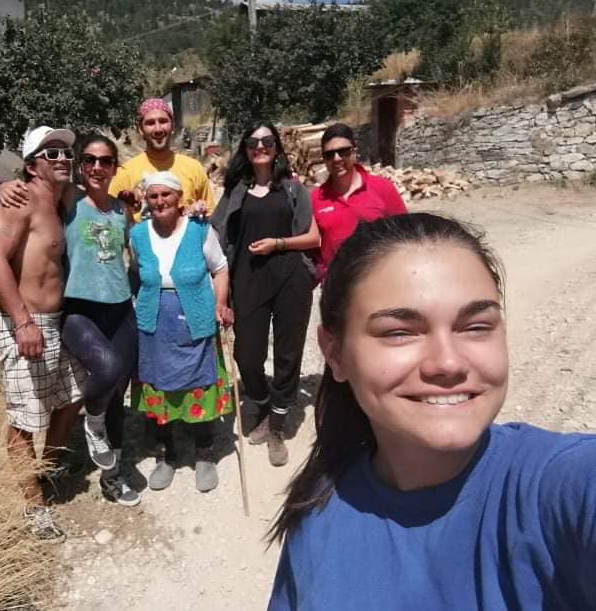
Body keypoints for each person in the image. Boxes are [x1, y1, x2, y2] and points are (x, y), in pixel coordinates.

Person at [268, 213, 596, 609]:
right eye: (399, 332)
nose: (448, 363)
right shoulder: (316, 511)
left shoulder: (558, 486)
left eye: (475, 326)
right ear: (334, 353)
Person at [0, 126, 85, 541]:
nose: (63, 158)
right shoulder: (21, 200)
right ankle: (33, 509)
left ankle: (50, 468)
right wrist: (22, 321)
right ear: (32, 164)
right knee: (25, 419)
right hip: (26, 325)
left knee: (71, 397)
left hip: (58, 321)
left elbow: (102, 186)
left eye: (66, 152)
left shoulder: (63, 196)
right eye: (52, 153)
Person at [210, 122, 320, 468]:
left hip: (291, 279)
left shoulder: (292, 188)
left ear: (277, 147)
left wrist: (279, 244)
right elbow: (215, 232)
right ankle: (260, 400)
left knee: (288, 354)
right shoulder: (235, 191)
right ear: (244, 149)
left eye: (267, 141)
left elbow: (313, 238)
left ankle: (276, 424)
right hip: (248, 279)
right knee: (247, 354)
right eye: (253, 142)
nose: (261, 147)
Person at [129, 172, 234, 492]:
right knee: (159, 386)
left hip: (195, 316)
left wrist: (221, 303)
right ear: (147, 201)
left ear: (179, 199)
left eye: (166, 195)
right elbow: (135, 273)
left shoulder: (199, 230)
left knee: (198, 382)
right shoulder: (137, 234)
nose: (160, 201)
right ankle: (167, 455)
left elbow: (220, 268)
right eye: (153, 196)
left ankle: (204, 453)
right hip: (154, 321)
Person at [58, 133, 140, 507]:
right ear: (79, 164)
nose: (96, 167)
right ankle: (92, 426)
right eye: (89, 160)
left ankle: (113, 476)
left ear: (114, 168)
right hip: (79, 310)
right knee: (105, 371)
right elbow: (34, 180)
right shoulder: (70, 199)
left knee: (117, 393)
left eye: (105, 161)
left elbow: (134, 255)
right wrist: (12, 183)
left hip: (120, 309)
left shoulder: (122, 211)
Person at [0, 98, 215, 220]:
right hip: (143, 276)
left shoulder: (194, 168)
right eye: (150, 123)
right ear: (140, 128)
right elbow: (92, 202)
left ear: (172, 125)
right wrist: (6, 185)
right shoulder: (124, 172)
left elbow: (211, 217)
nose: (158, 129)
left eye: (163, 121)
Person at [311, 122, 408, 282]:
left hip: (381, 281)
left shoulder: (382, 188)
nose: (336, 158)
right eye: (329, 154)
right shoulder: (315, 198)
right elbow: (313, 248)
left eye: (343, 151)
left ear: (355, 152)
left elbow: (405, 233)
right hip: (338, 287)